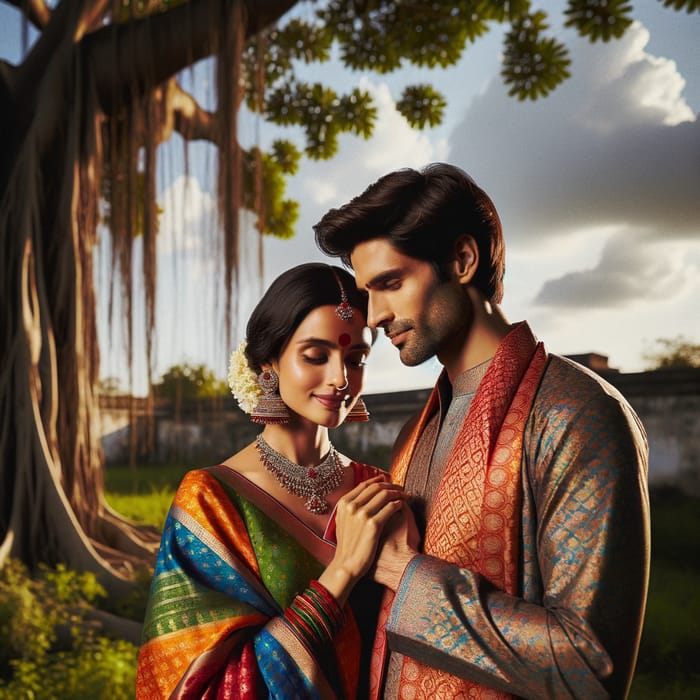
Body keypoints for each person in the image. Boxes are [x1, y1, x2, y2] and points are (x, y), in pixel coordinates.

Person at [313, 163, 650, 700]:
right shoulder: (414, 434)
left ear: (462, 260)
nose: (373, 316)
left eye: (391, 283)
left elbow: (591, 665)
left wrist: (404, 570)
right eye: (366, 293)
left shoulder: (573, 412)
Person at [135, 262, 410, 698]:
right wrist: (342, 573)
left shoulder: (376, 488)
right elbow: (195, 688)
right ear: (269, 363)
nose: (341, 378)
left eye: (355, 359)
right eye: (316, 356)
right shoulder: (211, 499)